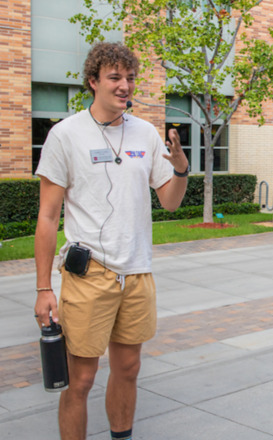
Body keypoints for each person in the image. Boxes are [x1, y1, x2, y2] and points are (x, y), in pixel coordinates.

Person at [33, 42, 189, 440]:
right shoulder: (66, 135)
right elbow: (47, 217)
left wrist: (181, 170)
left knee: (128, 369)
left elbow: (170, 202)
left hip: (136, 272)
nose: (125, 86)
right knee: (80, 379)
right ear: (93, 81)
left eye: (130, 78)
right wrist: (43, 288)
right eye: (115, 77)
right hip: (90, 275)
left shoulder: (145, 133)